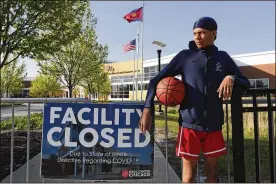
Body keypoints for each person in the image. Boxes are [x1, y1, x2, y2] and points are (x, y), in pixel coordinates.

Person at [139, 17, 250, 183]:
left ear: (214, 34)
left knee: (213, 173)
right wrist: (147, 109)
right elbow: (155, 80)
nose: (197, 37)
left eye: (202, 33)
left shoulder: (223, 57)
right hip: (189, 124)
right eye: (195, 33)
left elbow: (245, 82)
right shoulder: (185, 56)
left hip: (213, 124)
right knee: (189, 176)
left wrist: (231, 77)